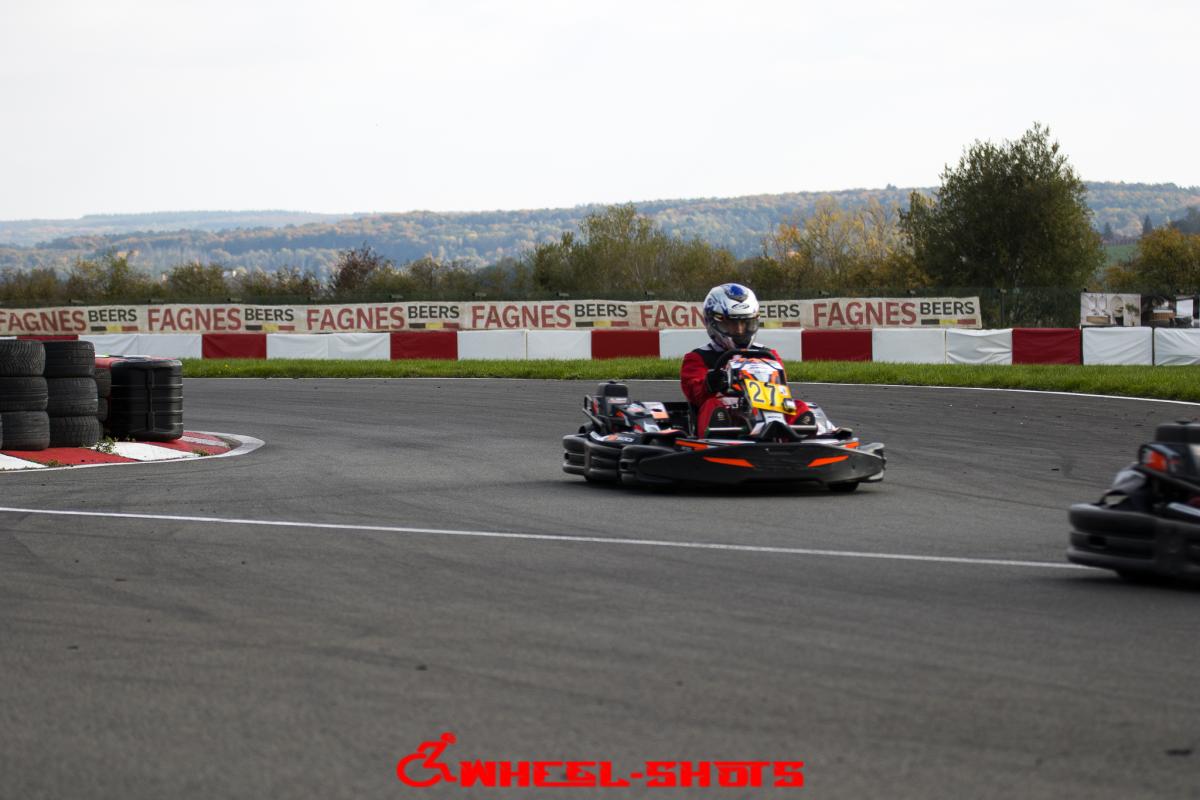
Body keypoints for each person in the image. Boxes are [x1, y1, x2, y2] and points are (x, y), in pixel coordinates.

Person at [680, 283, 790, 436]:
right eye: (731, 324)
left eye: (745, 323)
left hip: (765, 411)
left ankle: (801, 432)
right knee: (713, 405)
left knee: (801, 406)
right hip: (726, 418)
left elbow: (782, 390)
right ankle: (717, 438)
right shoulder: (698, 357)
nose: (739, 330)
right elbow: (695, 395)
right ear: (713, 322)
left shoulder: (767, 355)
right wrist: (709, 384)